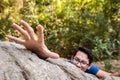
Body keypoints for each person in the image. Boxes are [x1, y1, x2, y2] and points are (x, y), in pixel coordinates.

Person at [6, 20, 120, 78]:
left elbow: (109, 76)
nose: (78, 65)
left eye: (83, 62)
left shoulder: (92, 69)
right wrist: (40, 52)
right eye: (77, 60)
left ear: (90, 65)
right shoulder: (69, 64)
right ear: (72, 58)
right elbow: (50, 58)